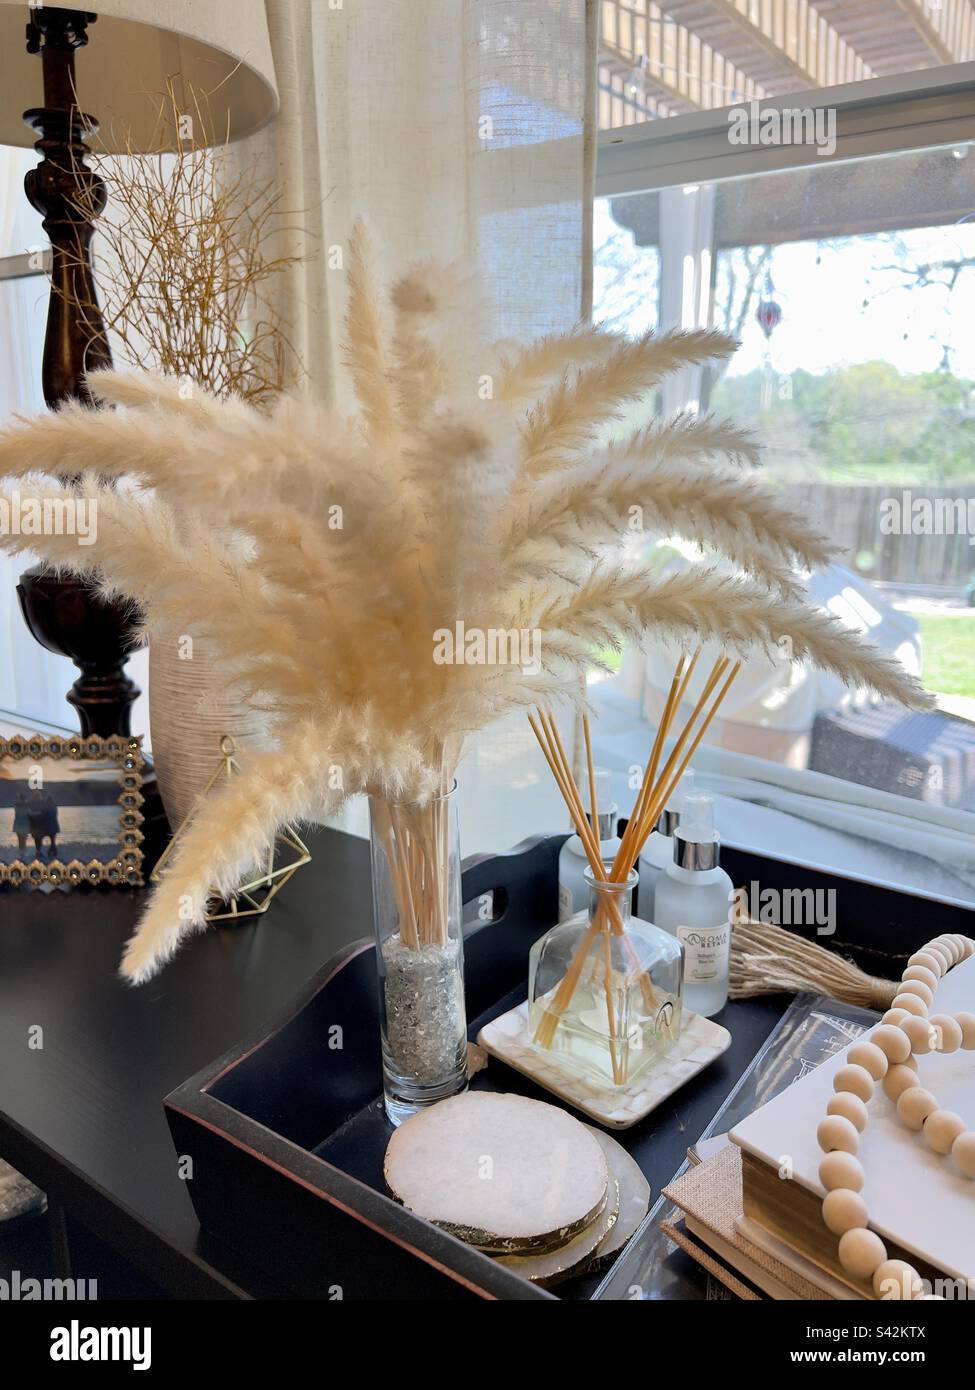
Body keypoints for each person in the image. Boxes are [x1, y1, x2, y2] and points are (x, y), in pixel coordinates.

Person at [12, 792, 30, 856]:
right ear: (25, 799)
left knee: (20, 839)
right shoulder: (26, 806)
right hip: (24, 825)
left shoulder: (16, 806)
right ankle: (23, 852)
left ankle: (21, 851)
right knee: (23, 839)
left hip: (17, 825)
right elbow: (30, 813)